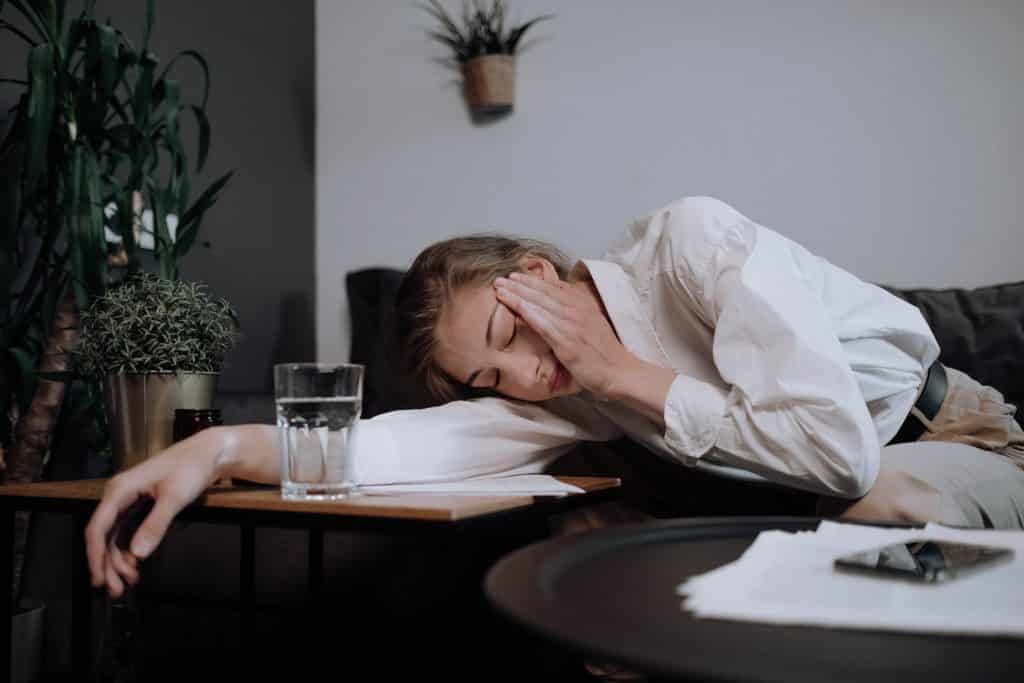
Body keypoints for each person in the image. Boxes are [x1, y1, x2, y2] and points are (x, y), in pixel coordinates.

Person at [85, 196, 1024, 599]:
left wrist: (623, 376)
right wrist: (209, 449)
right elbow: (399, 447)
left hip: (956, 434)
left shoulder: (691, 246)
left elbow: (841, 451)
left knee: (878, 504)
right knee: (581, 551)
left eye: (510, 337)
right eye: (493, 378)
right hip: (789, 503)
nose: (529, 378)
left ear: (534, 275)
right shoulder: (554, 398)